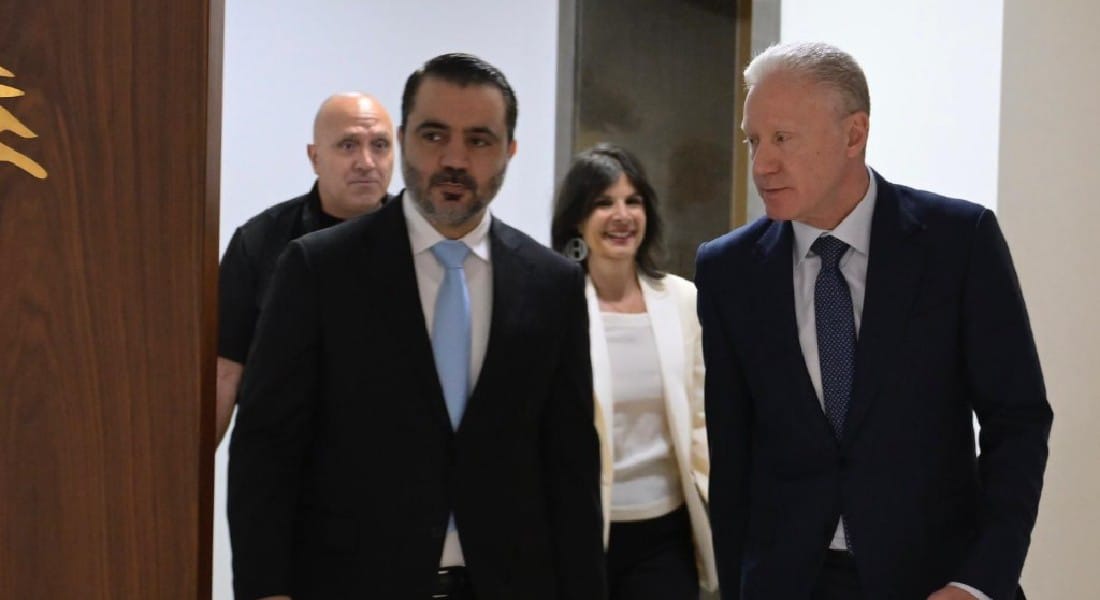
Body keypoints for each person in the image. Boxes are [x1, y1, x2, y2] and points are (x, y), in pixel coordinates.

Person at [228, 53, 605, 599]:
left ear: (510, 150)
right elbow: (267, 448)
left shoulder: (553, 284)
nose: (454, 159)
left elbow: (571, 466)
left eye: (479, 140)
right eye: (434, 135)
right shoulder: (319, 270)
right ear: (404, 139)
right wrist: (266, 590)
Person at [695, 42, 1052, 600]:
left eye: (783, 138)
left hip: (936, 580)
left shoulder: (958, 242)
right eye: (753, 140)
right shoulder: (728, 269)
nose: (762, 164)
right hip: (791, 581)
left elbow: (1018, 422)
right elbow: (731, 456)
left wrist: (980, 581)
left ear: (854, 134)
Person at [551, 143, 718, 599]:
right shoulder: (557, 305)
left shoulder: (682, 300)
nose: (622, 216)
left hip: (665, 537)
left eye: (633, 201)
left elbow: (703, 417)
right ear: (577, 219)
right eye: (604, 203)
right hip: (580, 532)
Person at [216, 92, 395, 443]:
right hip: (284, 452)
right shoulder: (260, 241)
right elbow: (225, 370)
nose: (366, 162)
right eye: (348, 145)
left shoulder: (421, 243)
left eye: (380, 145)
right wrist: (191, 472)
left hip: (387, 453)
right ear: (315, 157)